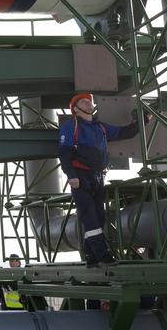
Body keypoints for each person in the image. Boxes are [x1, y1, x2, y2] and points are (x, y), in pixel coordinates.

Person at [58, 93, 149, 267]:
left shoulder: (100, 127)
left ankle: (91, 256)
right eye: (84, 102)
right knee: (90, 216)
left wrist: (144, 120)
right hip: (80, 175)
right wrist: (72, 175)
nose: (89, 103)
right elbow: (64, 152)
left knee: (98, 217)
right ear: (75, 109)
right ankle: (102, 255)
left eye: (90, 101)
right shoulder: (72, 125)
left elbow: (124, 132)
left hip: (98, 176)